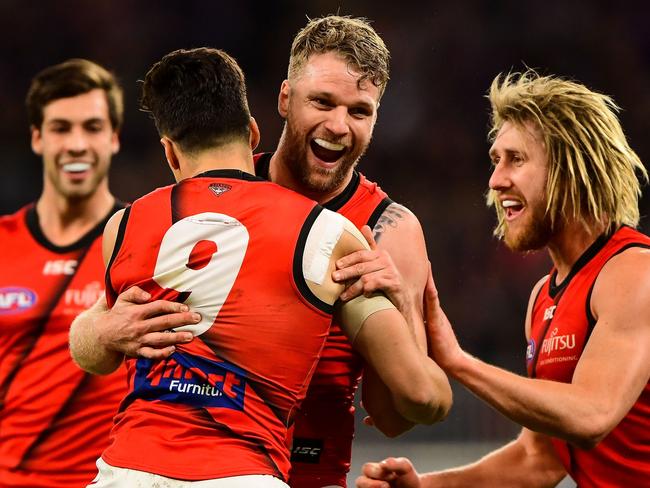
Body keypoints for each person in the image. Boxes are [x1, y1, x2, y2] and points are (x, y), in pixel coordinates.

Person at [70, 15, 452, 488]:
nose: (338, 125)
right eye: (322, 102)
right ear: (284, 100)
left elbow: (394, 416)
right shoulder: (208, 183)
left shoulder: (388, 230)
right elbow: (94, 331)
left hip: (306, 473)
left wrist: (403, 307)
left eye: (360, 111)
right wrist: (105, 329)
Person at [356, 71, 650, 487]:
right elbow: (539, 459)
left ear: (568, 168)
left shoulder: (635, 271)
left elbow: (592, 415)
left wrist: (458, 363)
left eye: (517, 159)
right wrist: (425, 485)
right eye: (496, 160)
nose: (495, 181)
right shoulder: (543, 297)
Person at [0, 59, 144, 487]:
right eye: (61, 128)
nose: (77, 143)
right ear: (38, 138)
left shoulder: (146, 244)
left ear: (114, 138)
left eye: (93, 127)